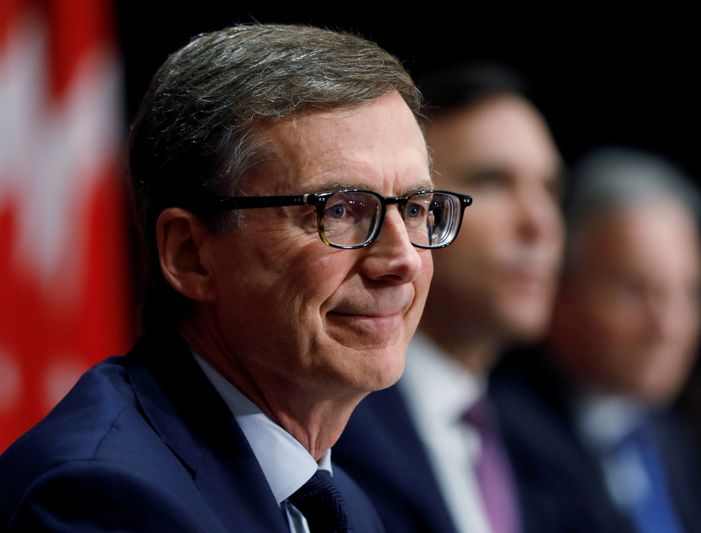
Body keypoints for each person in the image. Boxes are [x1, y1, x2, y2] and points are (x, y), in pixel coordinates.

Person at [0, 24, 472, 532]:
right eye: (339, 210)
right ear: (190, 254)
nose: (401, 259)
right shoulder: (104, 499)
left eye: (417, 208)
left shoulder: (345, 505)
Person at [335, 63, 564, 533]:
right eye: (494, 181)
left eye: (550, 189)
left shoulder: (541, 440)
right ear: (415, 208)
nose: (539, 224)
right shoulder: (334, 424)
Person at [491, 147, 701, 532]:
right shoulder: (498, 438)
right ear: (561, 288)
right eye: (637, 291)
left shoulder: (671, 441)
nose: (668, 328)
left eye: (689, 293)